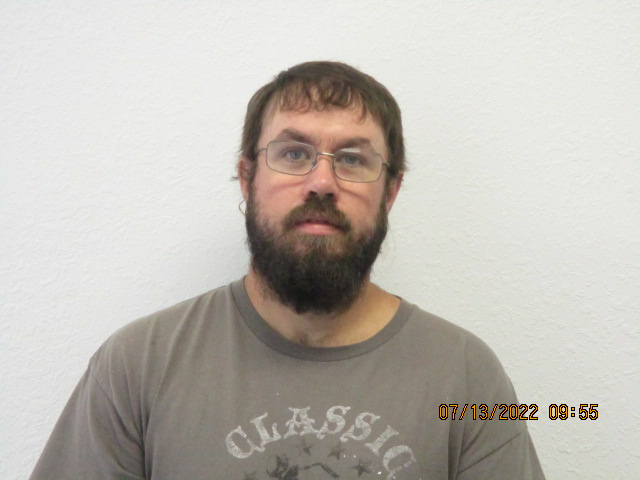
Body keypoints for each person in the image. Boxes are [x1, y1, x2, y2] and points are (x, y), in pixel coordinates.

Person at [30, 61, 545, 479]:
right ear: (247, 177)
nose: (322, 182)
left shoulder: (470, 380)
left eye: (353, 159)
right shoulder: (135, 367)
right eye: (294, 153)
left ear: (390, 192)